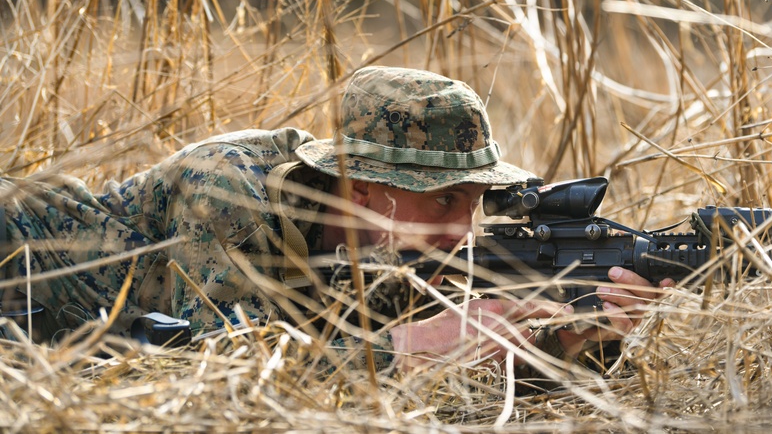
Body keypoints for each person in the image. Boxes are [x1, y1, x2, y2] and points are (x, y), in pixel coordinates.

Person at [0, 66, 671, 372]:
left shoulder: (390, 252)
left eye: (476, 199)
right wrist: (416, 345)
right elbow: (215, 366)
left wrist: (590, 337)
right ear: (364, 187)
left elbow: (475, 374)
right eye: (444, 199)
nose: (465, 228)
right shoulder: (230, 191)